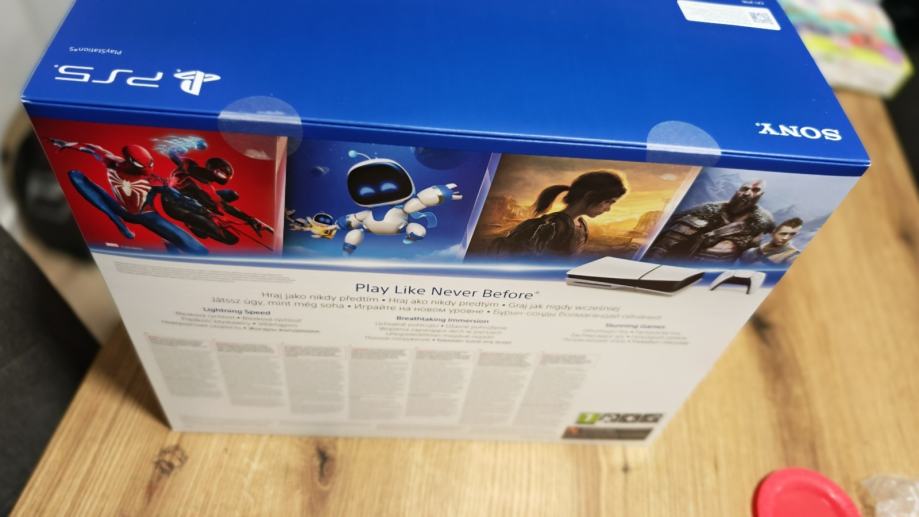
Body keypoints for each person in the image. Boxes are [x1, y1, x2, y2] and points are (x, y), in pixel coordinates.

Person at [490, 170, 627, 257]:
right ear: (589, 196)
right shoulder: (554, 225)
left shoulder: (581, 224)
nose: (608, 209)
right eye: (608, 202)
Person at [645, 179, 774, 263]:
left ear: (761, 195)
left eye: (755, 190)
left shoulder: (761, 222)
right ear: (737, 191)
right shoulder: (705, 211)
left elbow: (748, 260)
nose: (747, 193)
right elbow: (665, 245)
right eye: (744, 189)